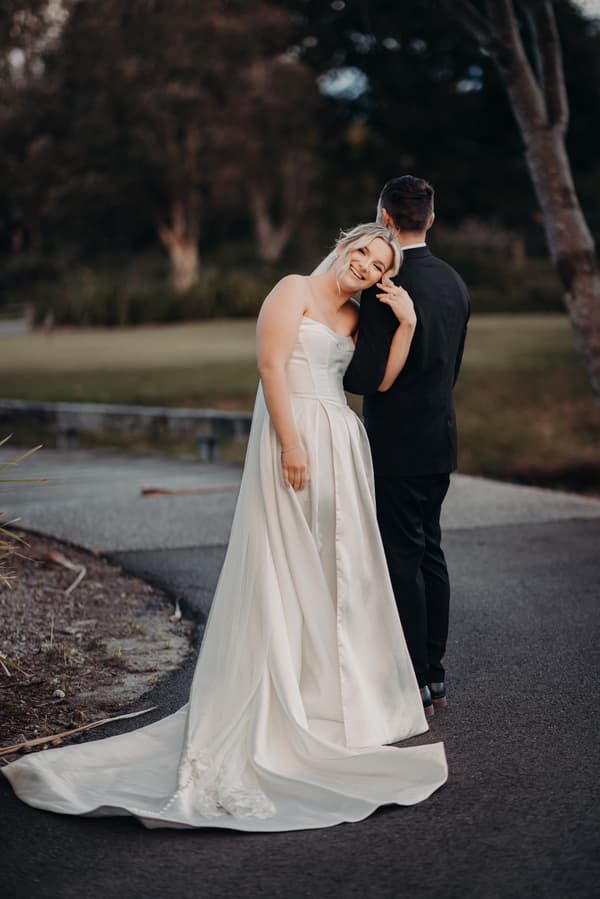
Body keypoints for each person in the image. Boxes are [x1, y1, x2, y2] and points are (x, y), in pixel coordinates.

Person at [2, 223, 447, 832]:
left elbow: (377, 383)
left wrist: (410, 324)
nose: (366, 268)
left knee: (340, 568)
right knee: (285, 564)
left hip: (342, 443)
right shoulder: (292, 289)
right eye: (363, 254)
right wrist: (291, 445)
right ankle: (280, 698)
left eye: (378, 266)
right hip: (294, 442)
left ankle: (340, 701)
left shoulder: (358, 317)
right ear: (347, 244)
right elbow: (270, 365)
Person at [344, 178, 470, 717]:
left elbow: (367, 380)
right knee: (431, 550)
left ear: (385, 220)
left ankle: (413, 677)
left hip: (394, 444)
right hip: (439, 437)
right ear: (431, 219)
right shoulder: (456, 284)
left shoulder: (383, 287)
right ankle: (436, 674)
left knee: (402, 555)